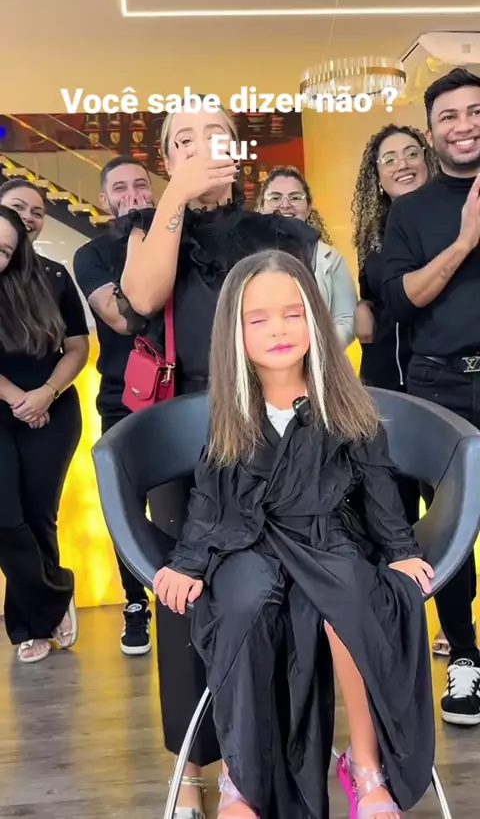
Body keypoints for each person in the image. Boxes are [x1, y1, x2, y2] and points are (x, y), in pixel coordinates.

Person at [154, 249, 435, 819]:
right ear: (235, 332)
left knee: (350, 608)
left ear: (315, 318)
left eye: (292, 314)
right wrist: (187, 560)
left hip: (327, 536)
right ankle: (240, 779)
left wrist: (401, 550)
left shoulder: (345, 401)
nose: (278, 330)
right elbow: (209, 498)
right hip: (248, 539)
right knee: (243, 607)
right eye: (258, 319)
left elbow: (378, 483)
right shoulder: (232, 410)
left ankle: (365, 764)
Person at [115, 100, 322, 818]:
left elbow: (304, 333)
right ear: (166, 159)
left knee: (278, 587)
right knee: (184, 598)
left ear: (237, 152)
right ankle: (194, 769)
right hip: (187, 430)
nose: (202, 147)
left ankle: (268, 756)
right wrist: (175, 196)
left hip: (275, 420)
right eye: (184, 139)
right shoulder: (148, 228)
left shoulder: (280, 233)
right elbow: (144, 297)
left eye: (215, 136)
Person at [382, 66, 480, 726]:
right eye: (449, 116)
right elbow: (400, 299)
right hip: (440, 384)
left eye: (475, 112)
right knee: (452, 530)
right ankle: (466, 656)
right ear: (431, 131)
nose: (464, 126)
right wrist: (467, 240)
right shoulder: (412, 212)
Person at [0, 192, 89, 663]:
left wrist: (46, 394)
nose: (28, 217)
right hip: (13, 405)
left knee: (38, 516)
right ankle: (53, 594)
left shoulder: (53, 276)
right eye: (18, 207)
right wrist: (20, 399)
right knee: (5, 518)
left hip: (52, 409)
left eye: (37, 211)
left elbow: (77, 346)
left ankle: (28, 626)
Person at [74, 155, 156, 656]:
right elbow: (124, 318)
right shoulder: (91, 255)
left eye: (140, 185)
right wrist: (140, 244)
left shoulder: (180, 240)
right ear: (105, 200)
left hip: (185, 391)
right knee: (124, 505)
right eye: (119, 188)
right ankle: (135, 602)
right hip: (123, 395)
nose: (132, 195)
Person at [351, 125, 437, 527]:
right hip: (385, 382)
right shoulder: (371, 236)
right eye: (389, 159)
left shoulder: (454, 219)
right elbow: (372, 292)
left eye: (411, 153)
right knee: (392, 504)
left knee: (445, 496)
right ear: (378, 176)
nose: (402, 164)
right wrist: (360, 304)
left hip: (440, 381)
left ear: (428, 160)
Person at [258, 165, 357, 347]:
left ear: (309, 207)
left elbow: (346, 319)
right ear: (261, 207)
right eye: (275, 198)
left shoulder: (331, 259)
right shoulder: (242, 256)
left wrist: (314, 351)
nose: (285, 204)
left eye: (295, 197)